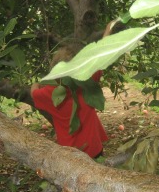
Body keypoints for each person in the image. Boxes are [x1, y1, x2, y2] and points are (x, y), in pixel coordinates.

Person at [30, 21, 115, 158]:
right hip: (93, 148)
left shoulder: (48, 92)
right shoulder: (87, 80)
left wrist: (38, 83)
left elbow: (33, 92)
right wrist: (108, 29)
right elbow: (102, 53)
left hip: (71, 154)